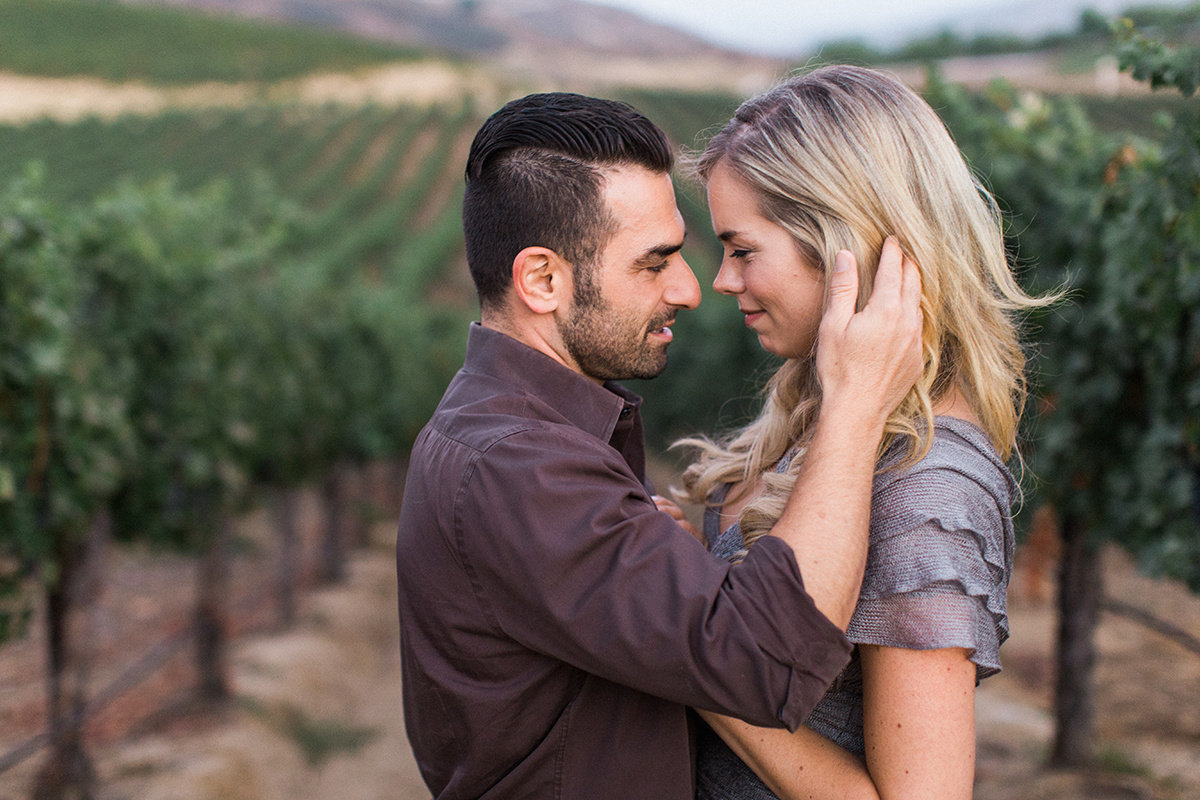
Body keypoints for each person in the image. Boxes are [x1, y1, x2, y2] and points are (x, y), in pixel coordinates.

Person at [394, 90, 923, 800]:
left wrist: (662, 576)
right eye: (654, 263)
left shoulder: (509, 435)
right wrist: (856, 402)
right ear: (543, 280)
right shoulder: (521, 467)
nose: (690, 288)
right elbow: (762, 663)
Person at [669, 64, 1050, 800]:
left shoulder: (930, 488)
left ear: (843, 244)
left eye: (743, 249)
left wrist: (690, 643)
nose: (721, 280)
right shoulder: (833, 424)